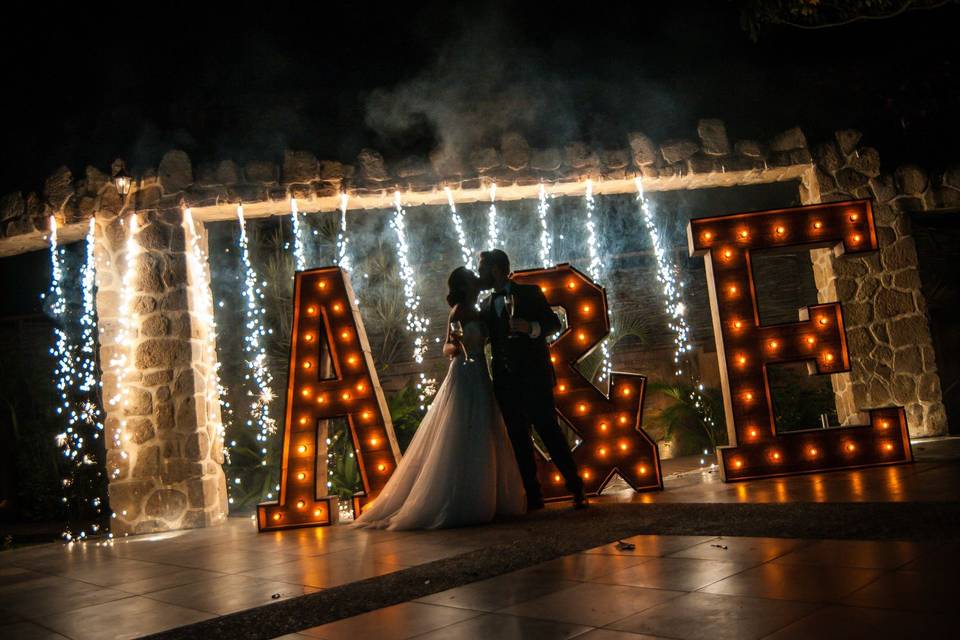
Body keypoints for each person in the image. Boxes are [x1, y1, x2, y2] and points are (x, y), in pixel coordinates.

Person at [353, 267, 526, 530]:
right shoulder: (458, 311)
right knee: (460, 428)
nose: (476, 281)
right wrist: (457, 346)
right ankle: (460, 500)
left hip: (480, 371)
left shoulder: (478, 310)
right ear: (465, 285)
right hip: (465, 371)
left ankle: (483, 494)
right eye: (471, 278)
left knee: (482, 429)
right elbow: (446, 347)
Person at [477, 249, 588, 510]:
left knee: (550, 433)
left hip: (535, 378)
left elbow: (553, 324)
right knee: (518, 439)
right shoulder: (484, 306)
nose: (479, 273)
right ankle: (534, 496)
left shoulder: (530, 293)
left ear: (494, 269)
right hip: (505, 382)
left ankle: (576, 488)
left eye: (482, 268)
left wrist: (530, 328)